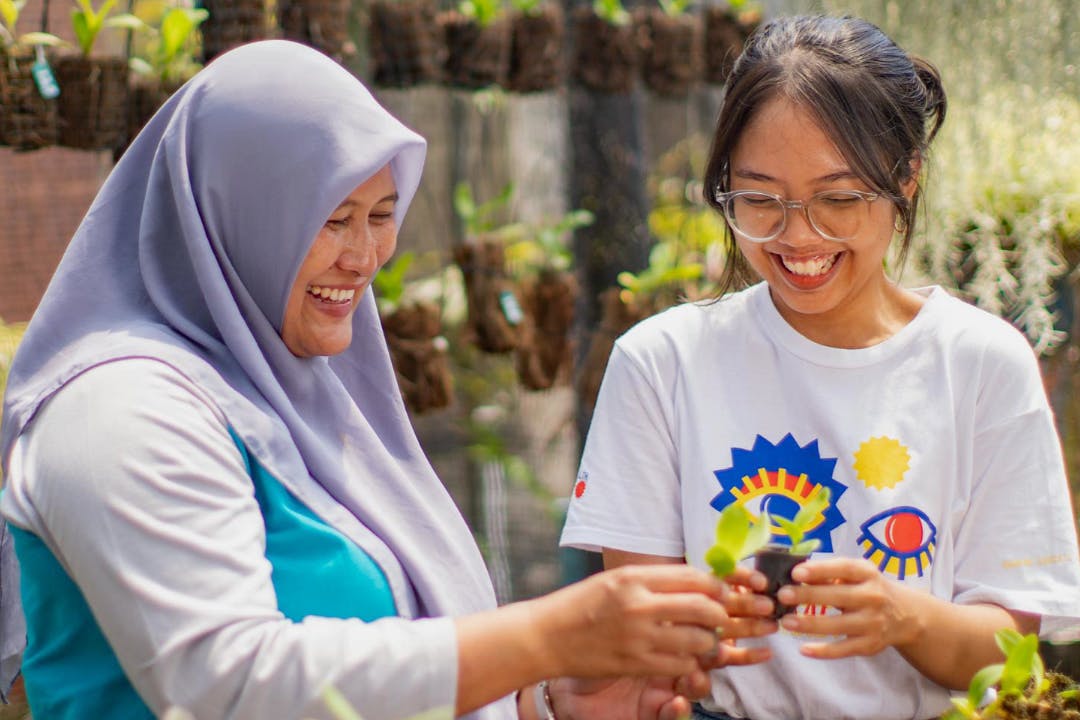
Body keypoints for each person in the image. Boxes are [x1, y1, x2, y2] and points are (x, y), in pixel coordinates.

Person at [0, 40, 778, 720]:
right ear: (229, 214)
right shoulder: (119, 411)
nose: (365, 257)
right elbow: (228, 684)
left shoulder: (301, 397)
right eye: (332, 219)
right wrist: (549, 634)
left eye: (381, 215)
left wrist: (545, 698)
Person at [560, 13, 1080, 720]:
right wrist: (703, 630)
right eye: (760, 199)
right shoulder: (663, 361)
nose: (798, 235)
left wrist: (904, 617)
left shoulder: (981, 363)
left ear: (907, 180)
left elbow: (1011, 656)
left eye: (838, 200)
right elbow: (639, 637)